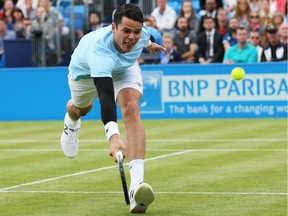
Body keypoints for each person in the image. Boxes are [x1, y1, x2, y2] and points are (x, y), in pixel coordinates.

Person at [60, 4, 165, 213]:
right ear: (113, 28)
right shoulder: (100, 51)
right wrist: (114, 137)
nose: (132, 36)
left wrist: (148, 44)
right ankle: (71, 121)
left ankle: (137, 186)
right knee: (81, 109)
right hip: (85, 75)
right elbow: (105, 97)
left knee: (131, 108)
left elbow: (142, 38)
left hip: (124, 68)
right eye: (126, 31)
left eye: (136, 31)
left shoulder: (141, 34)